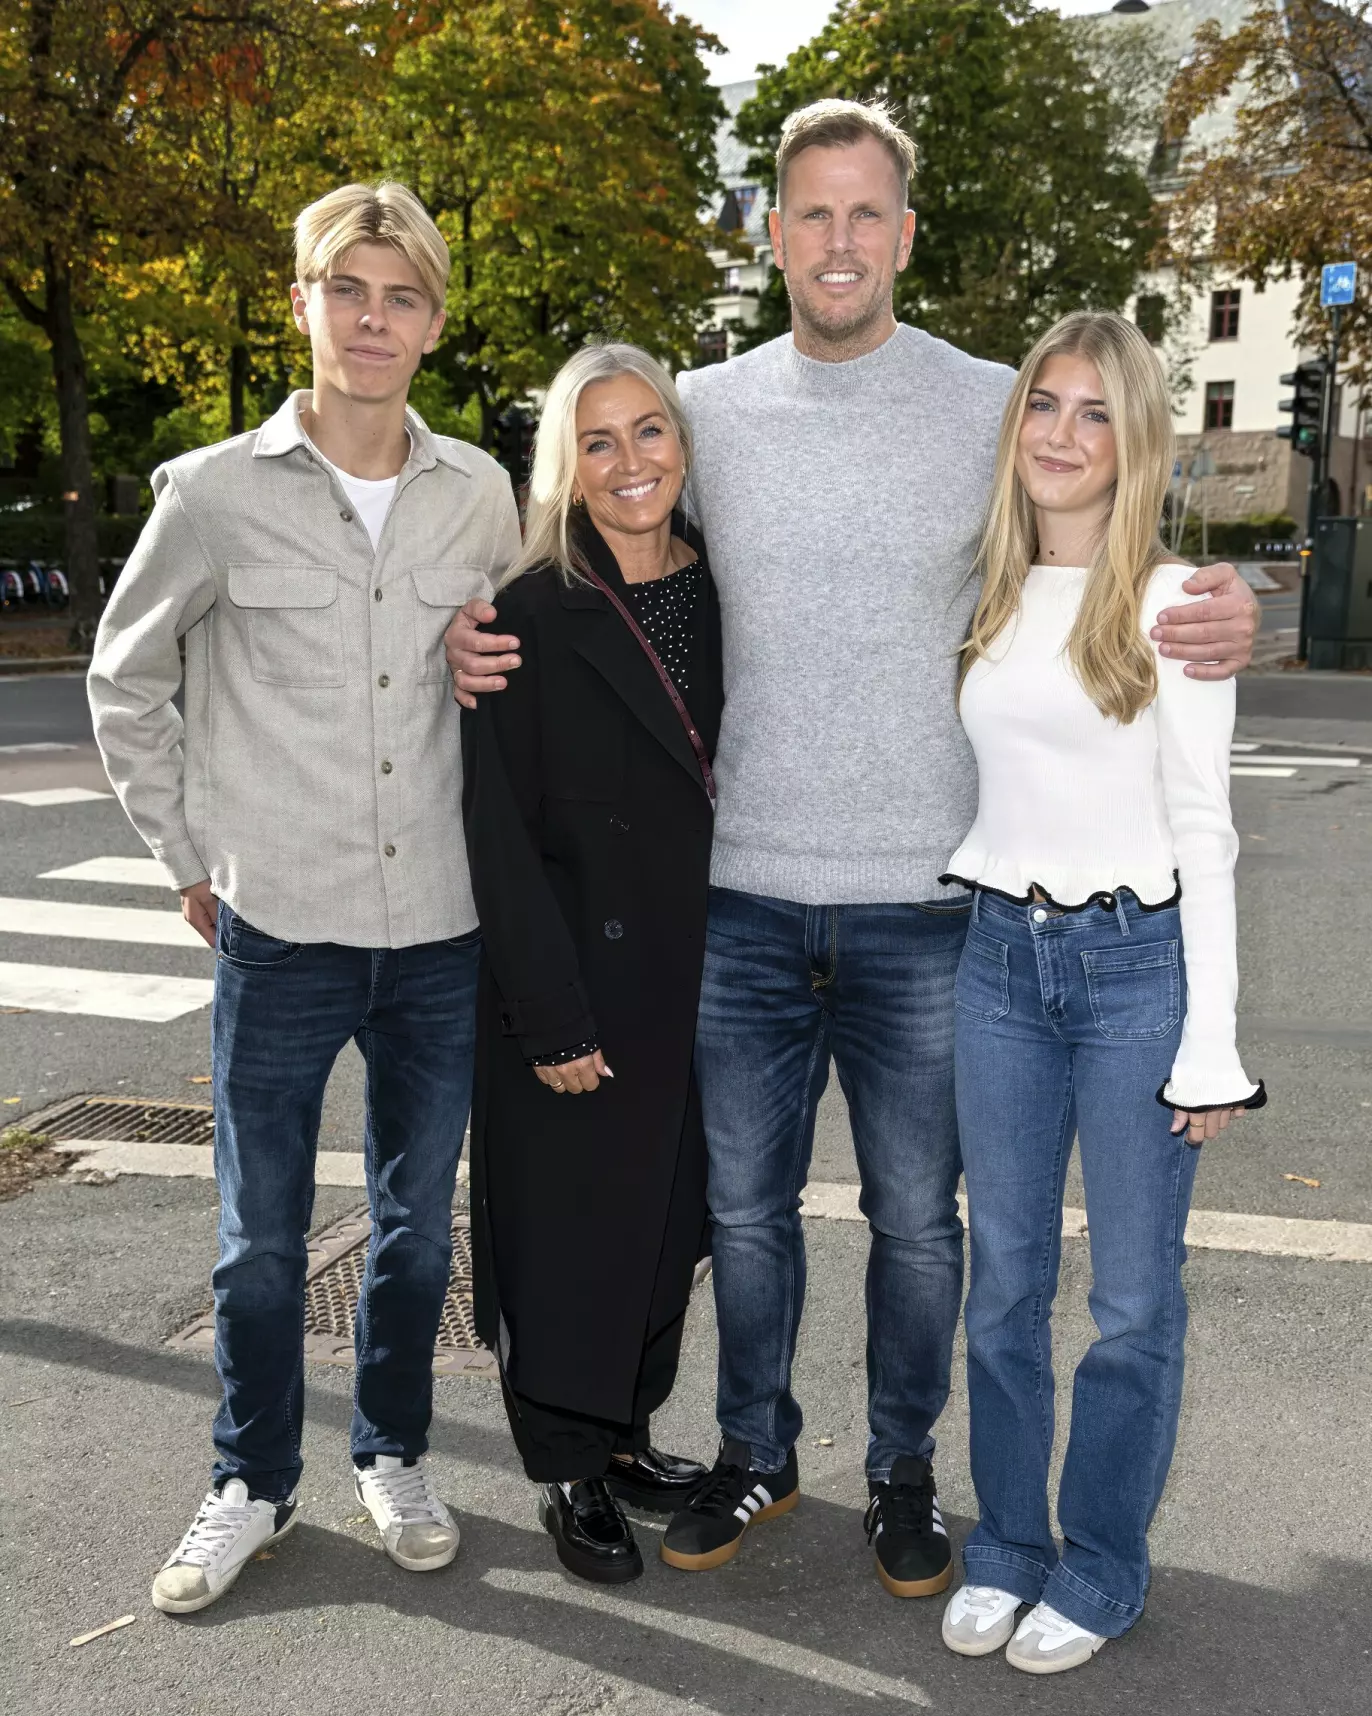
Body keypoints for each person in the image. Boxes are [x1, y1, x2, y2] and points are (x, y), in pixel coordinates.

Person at [444, 101, 1258, 1597]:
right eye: (811, 214)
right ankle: (755, 1450)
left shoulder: (989, 404)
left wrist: (1217, 602)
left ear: (903, 230)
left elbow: (1099, 513)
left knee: (920, 1229)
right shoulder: (702, 411)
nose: (838, 241)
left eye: (865, 212)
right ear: (774, 234)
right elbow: (604, 540)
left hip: (933, 908)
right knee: (743, 1217)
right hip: (739, 906)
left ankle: (901, 1471)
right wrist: (475, 623)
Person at [88, 182, 520, 1614]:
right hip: (279, 928)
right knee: (262, 1243)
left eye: (403, 297)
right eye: (349, 291)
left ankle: (391, 1453)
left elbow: (515, 676)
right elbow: (125, 679)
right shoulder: (211, 494)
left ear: (435, 322)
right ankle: (251, 1481)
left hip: (442, 928)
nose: (374, 320)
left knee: (416, 1230)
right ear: (303, 305)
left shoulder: (481, 494)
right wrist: (185, 855)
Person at [938, 311, 1264, 1674]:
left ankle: (1102, 1562)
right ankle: (1009, 1545)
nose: (1063, 435)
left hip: (1137, 971)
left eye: (1095, 413)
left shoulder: (1176, 603)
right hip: (996, 964)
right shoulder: (987, 587)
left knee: (1131, 1303)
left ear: (1134, 445)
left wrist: (1211, 1046)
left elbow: (1206, 830)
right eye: (1044, 404)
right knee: (1003, 1284)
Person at [460, 343, 720, 1583]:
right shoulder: (522, 610)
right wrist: (548, 1014)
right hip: (576, 979)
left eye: (649, 431)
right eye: (598, 441)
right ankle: (567, 1465)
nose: (630, 463)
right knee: (569, 1233)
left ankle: (622, 1435)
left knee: (666, 1225)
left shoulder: (721, 586)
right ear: (565, 463)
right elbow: (496, 831)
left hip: (702, 970)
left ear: (682, 442)